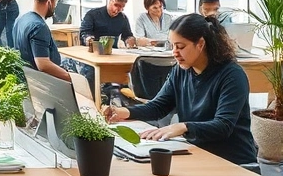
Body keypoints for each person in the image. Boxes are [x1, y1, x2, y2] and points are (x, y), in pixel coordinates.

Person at [102, 14, 257, 166]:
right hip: (198, 155)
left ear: (200, 44)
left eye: (180, 46)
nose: (174, 52)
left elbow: (223, 126)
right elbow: (159, 106)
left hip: (234, 163)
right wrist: (124, 112)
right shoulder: (181, 70)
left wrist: (182, 127)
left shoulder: (232, 75)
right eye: (173, 46)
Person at [13, 0, 71, 81]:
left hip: (25, 78)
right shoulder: (39, 27)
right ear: (49, 2)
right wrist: (70, 77)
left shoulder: (21, 19)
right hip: (42, 82)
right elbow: (43, 65)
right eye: (55, 3)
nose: (55, 7)